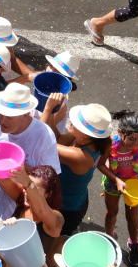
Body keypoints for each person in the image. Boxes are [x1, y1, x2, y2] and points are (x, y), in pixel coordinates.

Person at [0, 83, 61, 218]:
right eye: (1, 114)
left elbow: (50, 182)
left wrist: (24, 169)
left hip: (19, 213)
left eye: (9, 116)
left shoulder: (44, 135)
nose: (2, 120)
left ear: (26, 113)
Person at [41, 101, 112, 249]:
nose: (71, 121)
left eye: (77, 123)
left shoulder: (80, 157)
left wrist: (48, 110)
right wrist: (53, 118)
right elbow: (58, 139)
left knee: (53, 242)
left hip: (66, 208)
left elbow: (44, 142)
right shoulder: (95, 142)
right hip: (78, 200)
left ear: (86, 135)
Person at [98, 110, 138, 265]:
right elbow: (100, 165)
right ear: (120, 133)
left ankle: (134, 243)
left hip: (134, 185)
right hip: (113, 183)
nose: (136, 143)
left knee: (132, 216)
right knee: (112, 212)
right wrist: (116, 180)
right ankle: (109, 237)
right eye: (132, 139)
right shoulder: (110, 144)